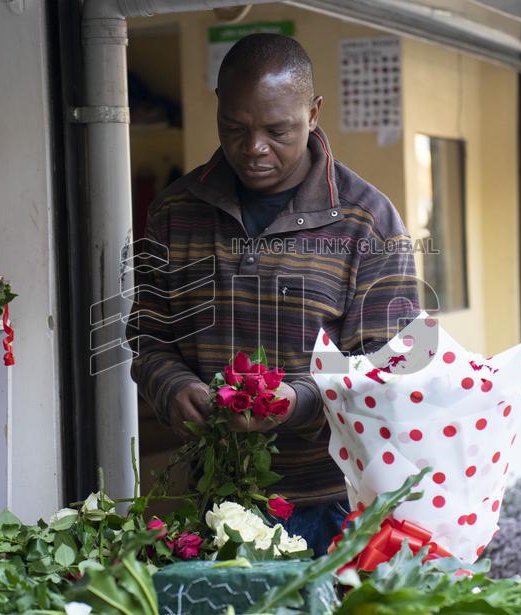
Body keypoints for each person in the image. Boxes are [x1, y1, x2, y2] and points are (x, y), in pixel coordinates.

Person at [127, 33, 419, 555]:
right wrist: (171, 387)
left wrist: (300, 400)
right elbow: (149, 337)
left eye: (276, 130)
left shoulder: (367, 221)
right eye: (235, 128)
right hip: (215, 499)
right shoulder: (175, 213)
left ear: (313, 113)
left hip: (334, 506)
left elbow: (392, 366)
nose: (253, 148)